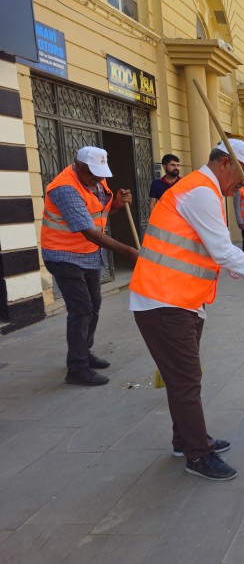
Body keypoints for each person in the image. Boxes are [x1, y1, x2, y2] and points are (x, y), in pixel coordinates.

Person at [129, 140, 244, 481]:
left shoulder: (206, 191)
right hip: (163, 301)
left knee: (183, 379)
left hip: (182, 300)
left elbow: (213, 253)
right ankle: (198, 454)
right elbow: (224, 252)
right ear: (225, 163)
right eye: (242, 175)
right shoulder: (200, 193)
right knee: (186, 379)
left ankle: (186, 439)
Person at [41, 146, 140, 386]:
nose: (97, 178)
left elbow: (98, 215)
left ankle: (83, 351)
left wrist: (115, 203)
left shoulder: (96, 181)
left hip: (88, 254)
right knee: (81, 309)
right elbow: (89, 232)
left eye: (100, 173)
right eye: (92, 174)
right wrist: (131, 253)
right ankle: (76, 368)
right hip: (64, 255)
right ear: (79, 165)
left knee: (94, 305)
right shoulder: (64, 188)